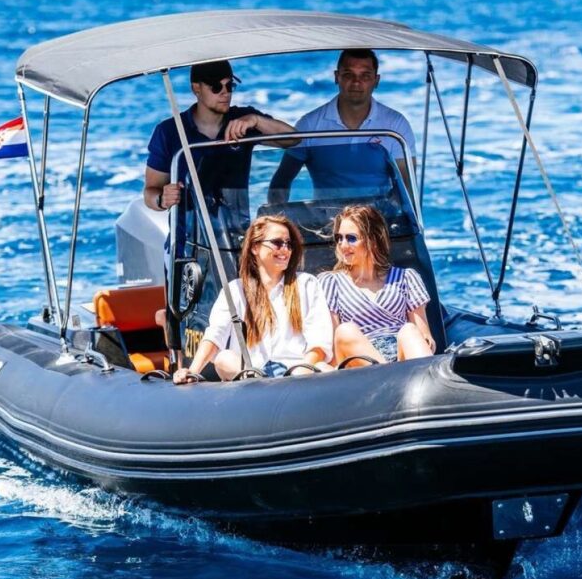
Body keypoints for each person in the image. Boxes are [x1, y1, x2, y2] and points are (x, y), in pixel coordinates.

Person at [172, 215, 334, 383]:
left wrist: (302, 371)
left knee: (323, 368)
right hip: (250, 375)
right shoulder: (234, 290)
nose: (285, 249)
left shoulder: (307, 284)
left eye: (289, 244)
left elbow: (319, 343)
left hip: (296, 375)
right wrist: (192, 371)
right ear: (255, 247)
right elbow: (215, 336)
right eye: (277, 243)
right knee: (223, 359)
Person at [143, 59, 297, 213]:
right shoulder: (168, 131)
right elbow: (150, 191)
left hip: (236, 227)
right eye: (216, 87)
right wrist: (162, 199)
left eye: (229, 86)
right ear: (196, 88)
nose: (225, 93)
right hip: (188, 227)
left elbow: (293, 139)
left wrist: (256, 120)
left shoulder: (244, 120)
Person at [269, 49, 416, 201]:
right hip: (325, 215)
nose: (356, 82)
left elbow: (407, 187)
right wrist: (277, 214)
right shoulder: (309, 125)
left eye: (365, 76)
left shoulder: (396, 125)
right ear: (336, 77)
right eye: (348, 75)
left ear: (376, 80)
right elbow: (281, 181)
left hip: (379, 215)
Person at [318, 205, 435, 367]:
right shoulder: (330, 283)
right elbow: (333, 346)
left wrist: (424, 342)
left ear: (372, 240)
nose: (343, 245)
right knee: (345, 331)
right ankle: (389, 375)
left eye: (351, 238)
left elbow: (425, 336)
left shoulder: (406, 278)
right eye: (339, 238)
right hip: (360, 364)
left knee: (409, 330)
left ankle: (418, 375)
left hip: (402, 360)